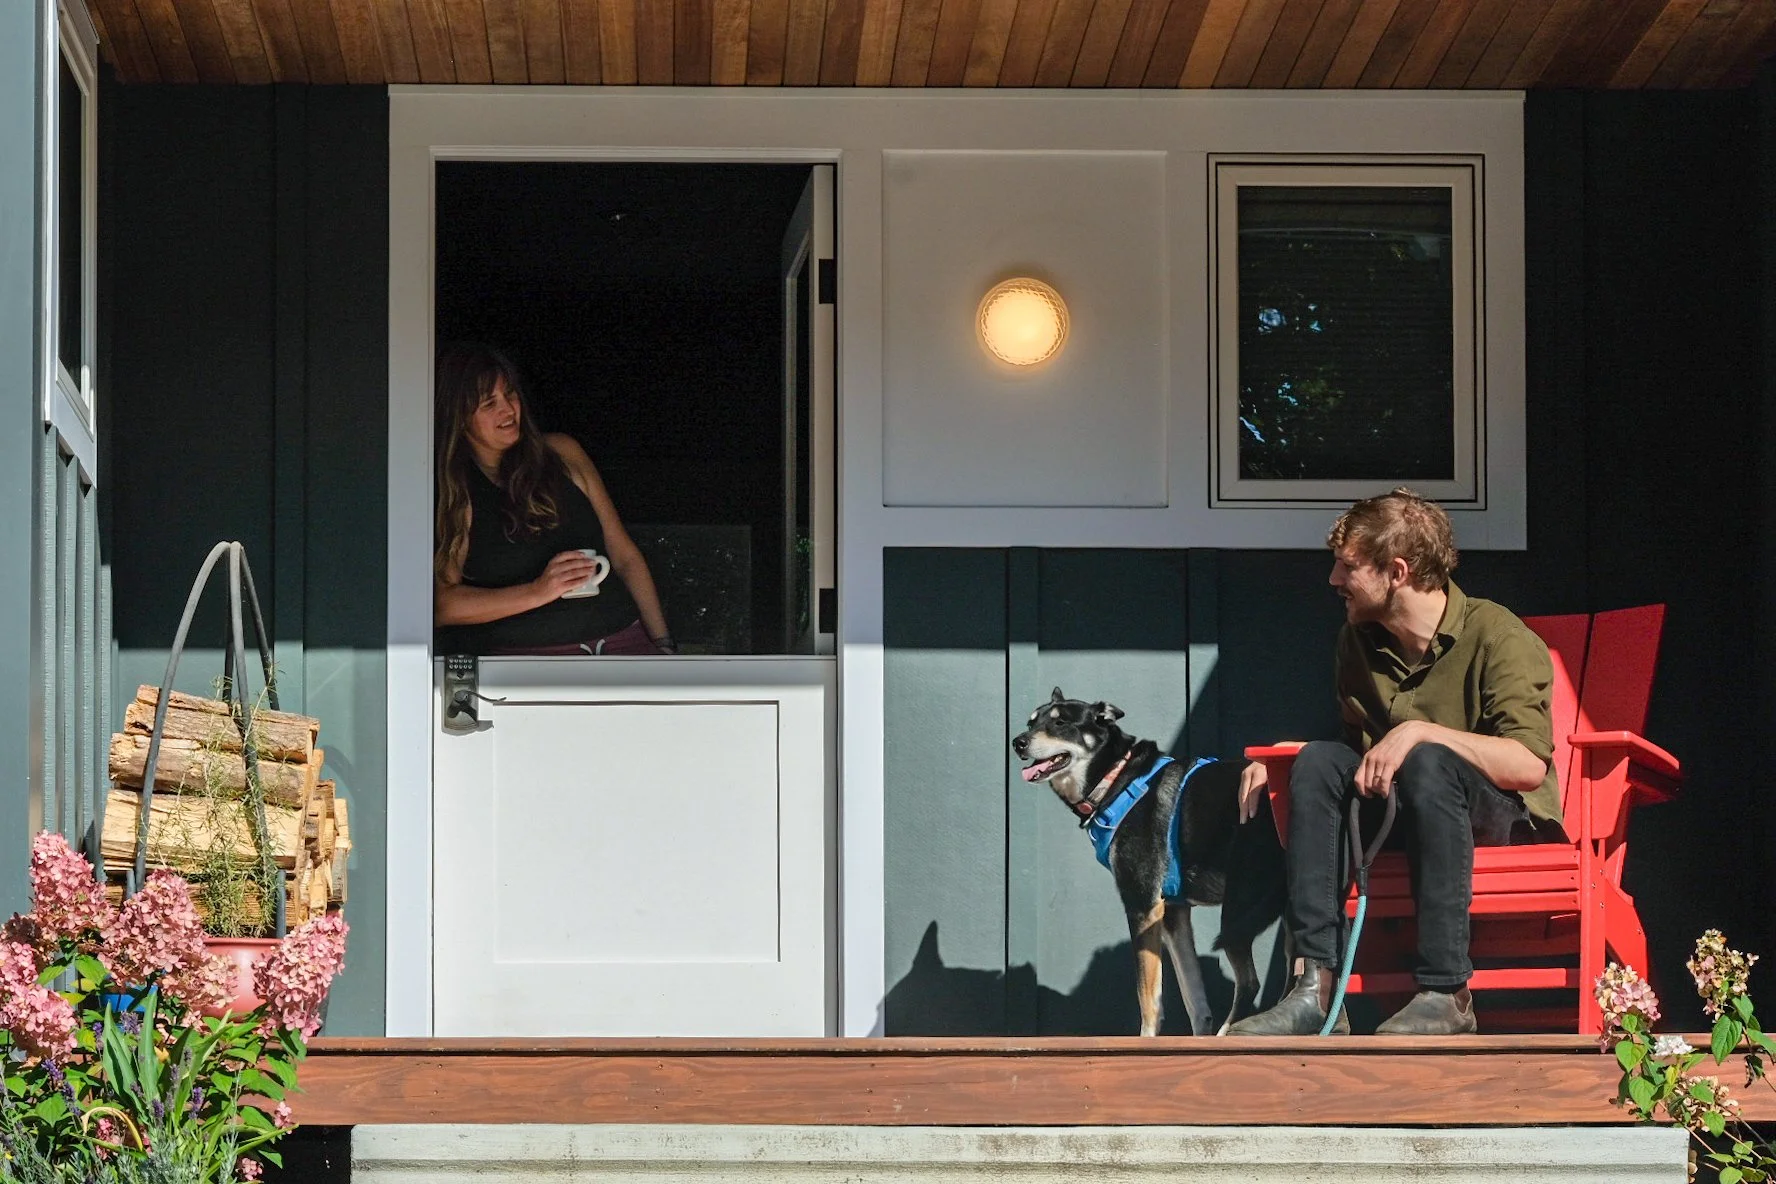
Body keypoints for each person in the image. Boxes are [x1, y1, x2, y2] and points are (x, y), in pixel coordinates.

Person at [1228, 488, 1559, 1037]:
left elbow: (1527, 765)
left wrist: (1421, 732)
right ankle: (1315, 990)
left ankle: (1446, 993)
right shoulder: (1357, 641)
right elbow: (1357, 756)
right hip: (1403, 816)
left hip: (1498, 821)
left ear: (1397, 572)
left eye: (1348, 566)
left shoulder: (1497, 635)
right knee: (1318, 761)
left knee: (1428, 760)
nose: (1334, 579)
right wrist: (1289, 763)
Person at [433, 343, 676, 657]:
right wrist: (539, 591)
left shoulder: (563, 452)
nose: (508, 410)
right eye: (489, 403)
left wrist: (663, 644)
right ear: (460, 416)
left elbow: (624, 556)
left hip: (623, 639)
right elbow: (443, 605)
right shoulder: (458, 488)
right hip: (534, 659)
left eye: (510, 394)